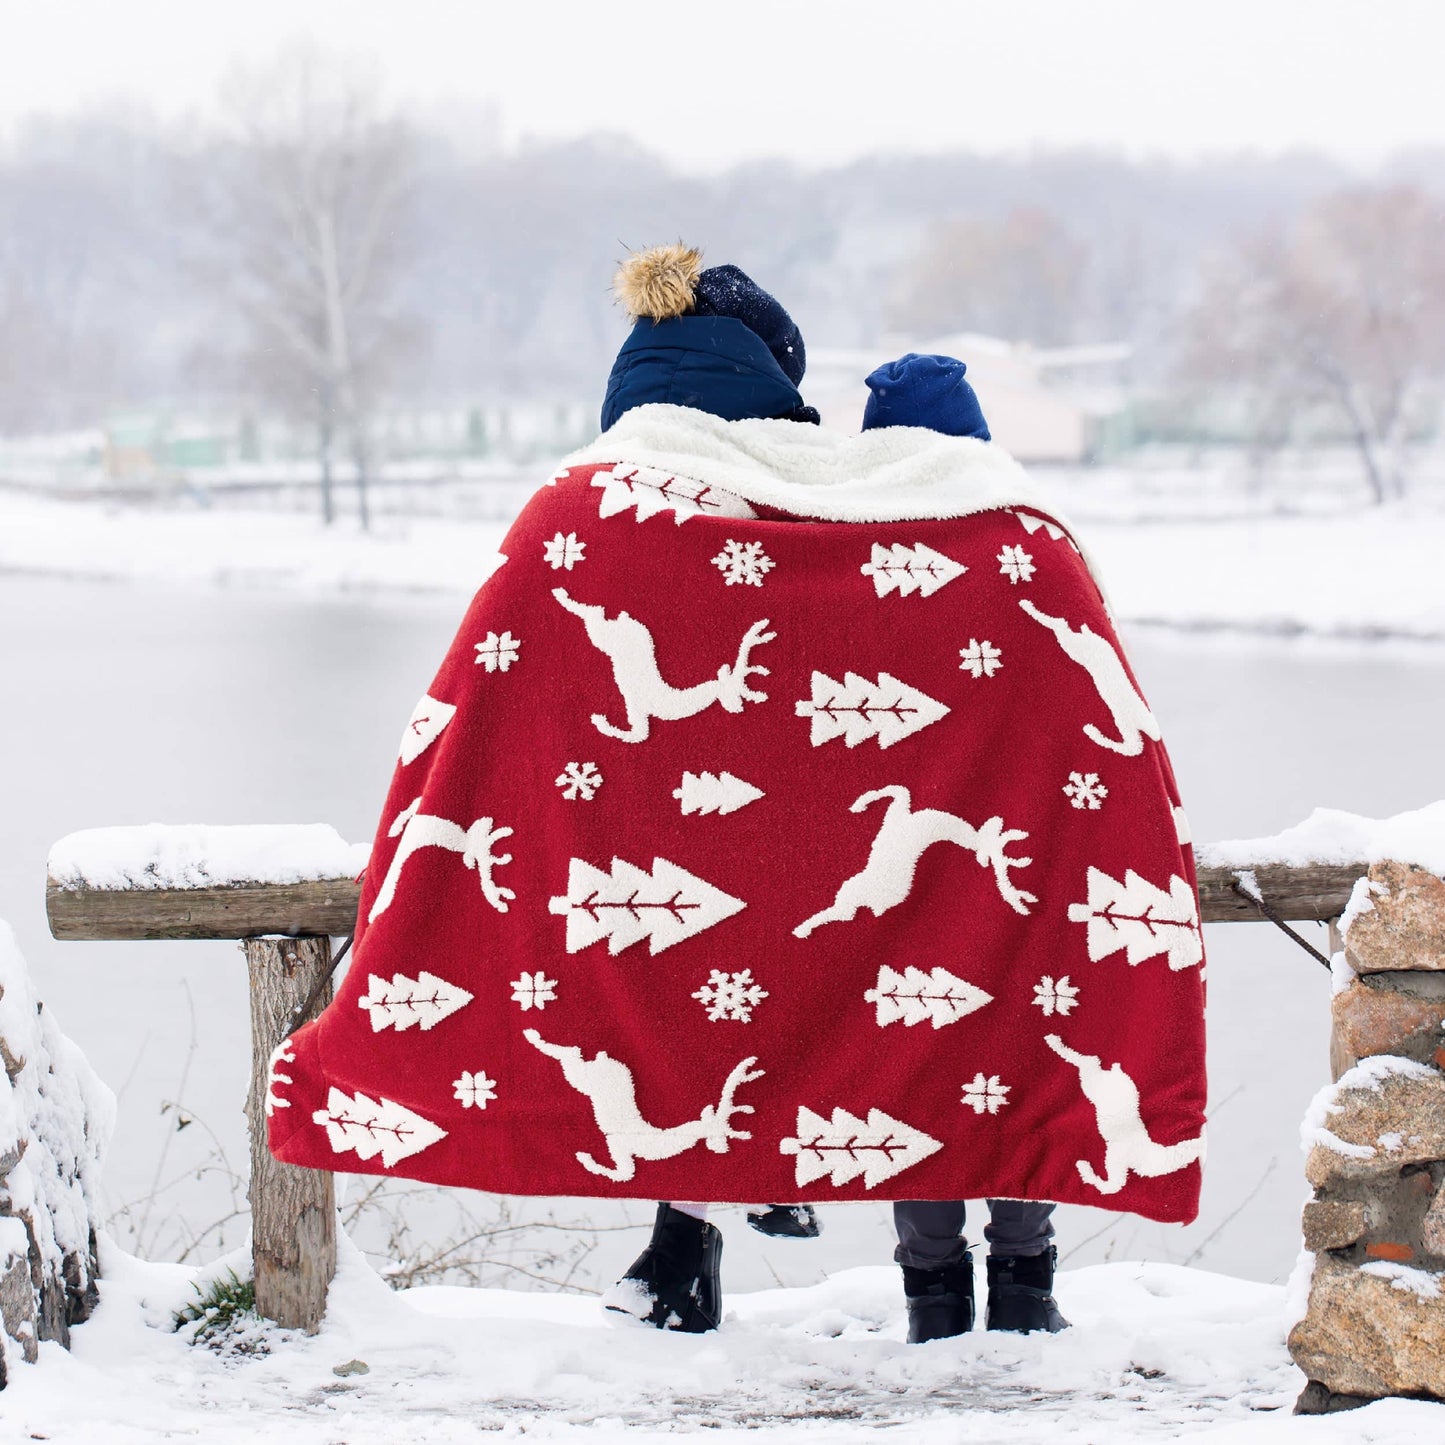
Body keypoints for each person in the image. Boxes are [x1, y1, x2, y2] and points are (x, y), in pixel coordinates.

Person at [598, 245, 824, 1334]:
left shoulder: (592, 491)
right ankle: (732, 1200)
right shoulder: (793, 489)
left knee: (665, 997)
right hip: (778, 806)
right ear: (771, 374)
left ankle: (681, 1247)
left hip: (630, 800)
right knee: (771, 976)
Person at [860, 352, 1069, 1342]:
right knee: (1011, 1050)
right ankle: (1025, 1282)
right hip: (1004, 849)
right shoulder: (1025, 542)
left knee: (912, 1057)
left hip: (898, 865)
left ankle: (930, 1296)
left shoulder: (846, 554)